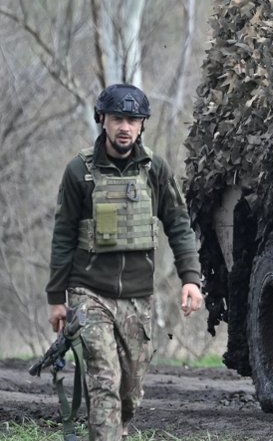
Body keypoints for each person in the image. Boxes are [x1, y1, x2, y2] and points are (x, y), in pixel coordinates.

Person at [46, 83, 204, 441]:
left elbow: (178, 224)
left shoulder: (154, 170)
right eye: (118, 119)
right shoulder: (79, 171)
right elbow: (63, 236)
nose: (125, 127)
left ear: (143, 124)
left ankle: (115, 432)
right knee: (104, 381)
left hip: (138, 296)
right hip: (89, 293)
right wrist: (56, 298)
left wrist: (190, 278)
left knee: (129, 393)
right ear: (102, 120)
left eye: (133, 120)